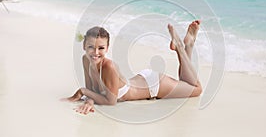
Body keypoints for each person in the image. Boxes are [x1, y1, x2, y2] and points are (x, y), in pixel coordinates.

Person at [62, 20, 202, 115]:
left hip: (155, 86)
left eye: (101, 48)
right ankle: (188, 45)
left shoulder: (109, 66)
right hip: (142, 80)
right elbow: (92, 89)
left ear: (107, 48)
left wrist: (82, 92)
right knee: (187, 83)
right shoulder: (85, 60)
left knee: (196, 89)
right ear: (84, 46)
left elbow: (110, 102)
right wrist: (89, 100)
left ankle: (180, 47)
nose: (96, 52)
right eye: (91, 47)